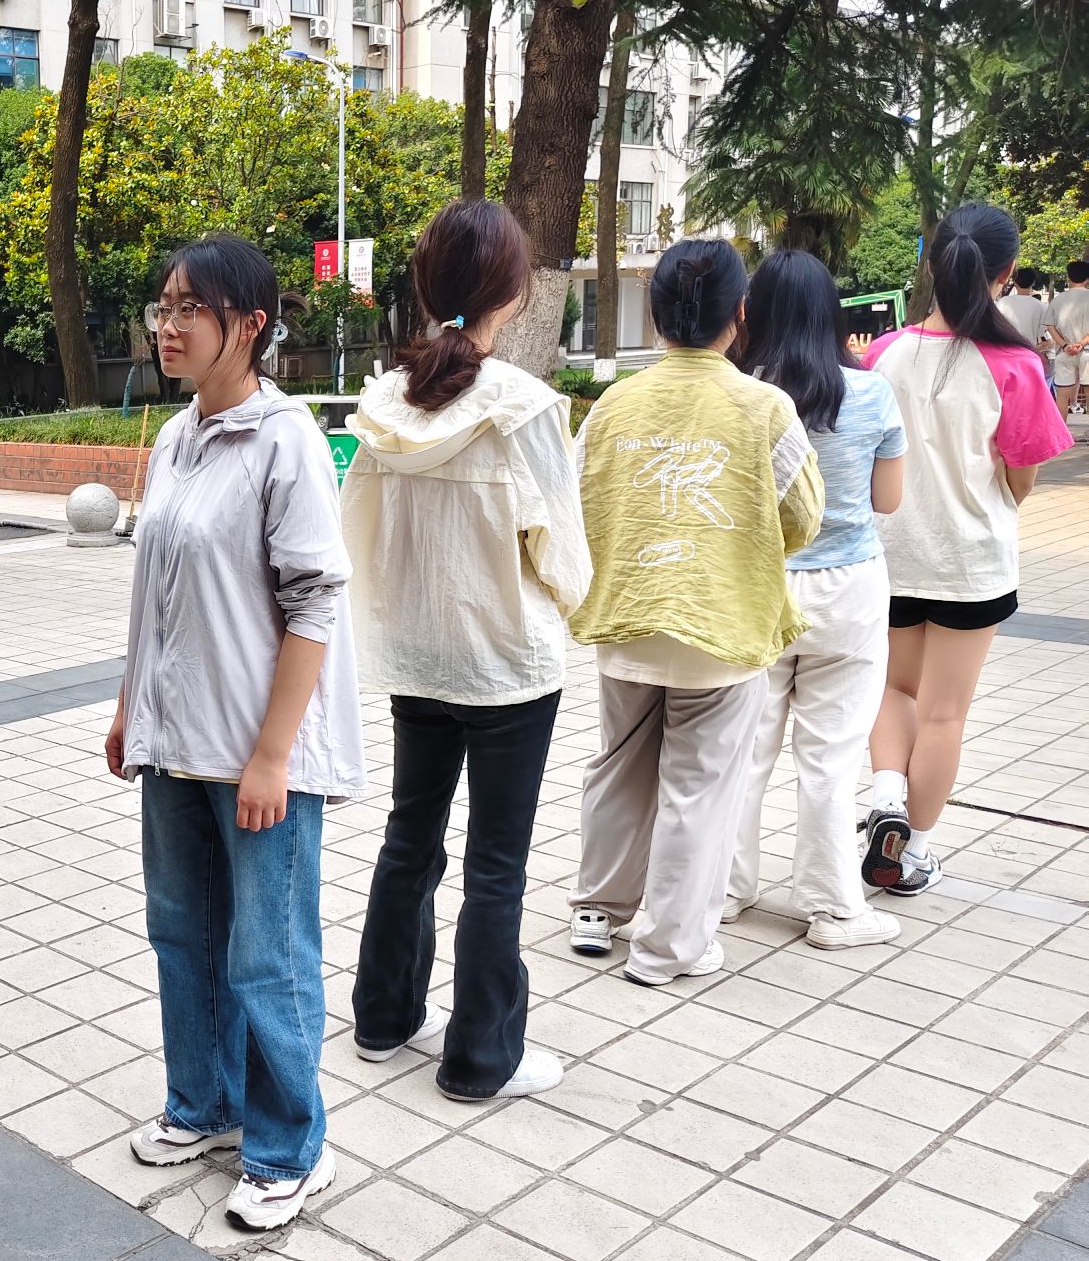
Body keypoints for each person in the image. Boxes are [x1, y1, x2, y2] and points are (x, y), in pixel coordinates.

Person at [106, 233, 363, 1231]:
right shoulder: (176, 438)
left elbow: (314, 602)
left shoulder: (284, 442)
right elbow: (155, 590)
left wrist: (272, 756)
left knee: (267, 953)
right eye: (162, 307)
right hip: (175, 741)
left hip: (259, 753)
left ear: (249, 326)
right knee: (182, 933)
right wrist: (131, 706)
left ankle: (290, 1145)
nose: (167, 327)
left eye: (190, 310)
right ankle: (204, 1104)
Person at [339, 200, 590, 1101]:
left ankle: (382, 1017)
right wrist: (571, 610)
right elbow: (563, 553)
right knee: (495, 864)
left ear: (423, 284)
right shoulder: (524, 408)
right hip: (506, 663)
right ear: (514, 295)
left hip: (416, 652)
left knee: (410, 834)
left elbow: (361, 530)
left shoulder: (382, 406)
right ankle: (482, 1059)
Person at [565, 238, 825, 985]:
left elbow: (576, 500)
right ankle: (669, 948)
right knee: (699, 787)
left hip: (628, 615)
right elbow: (803, 518)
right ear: (739, 313)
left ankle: (597, 911)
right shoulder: (763, 408)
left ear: (655, 317)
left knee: (618, 765)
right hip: (721, 624)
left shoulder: (614, 404)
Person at [862, 204, 1073, 892]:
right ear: (1005, 273)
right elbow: (1023, 476)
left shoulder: (884, 353)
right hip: (971, 561)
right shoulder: (1014, 364)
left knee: (893, 689)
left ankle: (885, 799)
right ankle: (913, 852)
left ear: (933, 263)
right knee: (944, 712)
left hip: (890, 554)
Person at [725, 250, 906, 948]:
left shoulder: (741, 392)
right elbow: (887, 500)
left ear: (754, 312)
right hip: (850, 588)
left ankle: (724, 890)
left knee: (744, 751)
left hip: (758, 585)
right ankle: (834, 908)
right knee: (831, 757)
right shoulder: (872, 393)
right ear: (833, 312)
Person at [1048, 260, 1089, 416]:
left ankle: (1062, 430)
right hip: (1086, 351)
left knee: (1063, 394)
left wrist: (1065, 346)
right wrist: (1081, 344)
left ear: (1068, 277)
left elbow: (1050, 326)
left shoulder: (1058, 300)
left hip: (1064, 352)